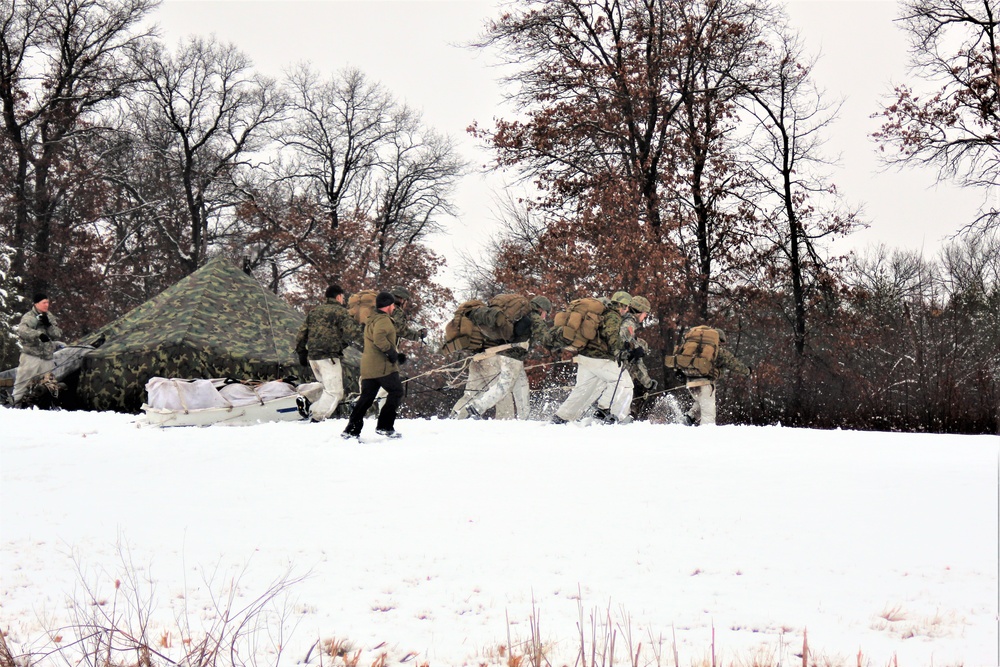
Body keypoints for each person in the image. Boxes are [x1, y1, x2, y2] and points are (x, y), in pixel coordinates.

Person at [451, 295, 552, 420]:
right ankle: (481, 410)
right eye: (546, 313)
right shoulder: (533, 317)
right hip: (507, 357)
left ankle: (524, 417)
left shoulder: (518, 315)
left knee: (521, 386)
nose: (545, 317)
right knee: (504, 387)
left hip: (494, 355)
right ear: (541, 309)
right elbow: (545, 338)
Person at [551, 291, 638, 424]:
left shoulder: (600, 313)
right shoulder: (612, 316)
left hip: (585, 356)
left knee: (583, 389)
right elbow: (612, 339)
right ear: (622, 305)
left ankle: (562, 417)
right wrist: (628, 347)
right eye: (626, 307)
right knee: (623, 382)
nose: (626, 311)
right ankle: (607, 413)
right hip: (599, 358)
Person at [294, 284, 363, 422]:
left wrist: (301, 351)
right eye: (343, 297)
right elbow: (353, 333)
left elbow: (302, 333)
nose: (343, 300)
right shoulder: (340, 312)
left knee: (326, 386)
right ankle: (317, 418)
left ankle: (307, 398)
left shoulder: (315, 312)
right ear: (338, 296)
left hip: (313, 357)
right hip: (328, 357)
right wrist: (369, 343)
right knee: (335, 392)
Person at [342, 292, 406, 439]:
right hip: (382, 366)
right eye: (392, 305)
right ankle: (385, 426)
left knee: (366, 398)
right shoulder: (383, 320)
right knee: (396, 392)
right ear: (389, 305)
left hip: (368, 366)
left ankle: (351, 429)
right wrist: (393, 354)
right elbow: (379, 339)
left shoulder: (371, 319)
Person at [595, 294, 654, 422]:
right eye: (645, 314)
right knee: (625, 385)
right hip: (609, 360)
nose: (645, 318)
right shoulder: (629, 322)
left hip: (599, 357)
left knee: (607, 387)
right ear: (639, 312)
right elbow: (619, 342)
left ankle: (607, 415)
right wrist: (631, 353)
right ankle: (616, 416)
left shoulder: (623, 319)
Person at [682, 328, 750, 426]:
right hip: (704, 384)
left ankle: (688, 419)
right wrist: (747, 371)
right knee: (708, 416)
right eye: (721, 341)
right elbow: (733, 364)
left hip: (690, 383)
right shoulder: (717, 351)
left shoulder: (696, 350)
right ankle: (706, 437)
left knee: (701, 405)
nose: (721, 344)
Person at [14, 293, 63, 407]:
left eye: (48, 302)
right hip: (31, 356)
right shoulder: (29, 317)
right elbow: (22, 330)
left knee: (48, 384)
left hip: (47, 357)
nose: (47, 305)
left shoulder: (49, 316)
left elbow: (57, 334)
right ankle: (15, 407)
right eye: (44, 303)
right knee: (22, 383)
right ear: (36, 304)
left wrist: (48, 325)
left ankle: (45, 408)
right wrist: (38, 334)